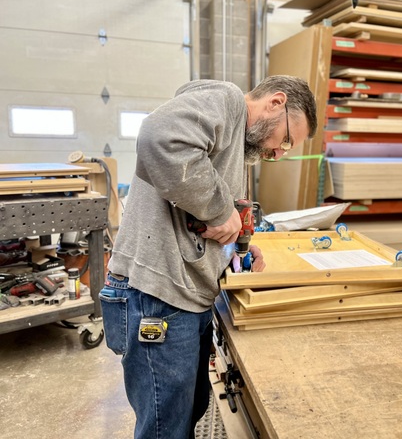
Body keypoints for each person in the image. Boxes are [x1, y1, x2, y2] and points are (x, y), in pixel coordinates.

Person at [99, 75, 318, 439]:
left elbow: (212, 213)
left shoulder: (233, 143)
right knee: (164, 428)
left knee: (188, 411)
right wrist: (219, 211)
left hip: (182, 299)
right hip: (157, 297)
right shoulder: (226, 99)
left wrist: (238, 245)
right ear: (276, 103)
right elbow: (160, 136)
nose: (279, 153)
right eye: (286, 139)